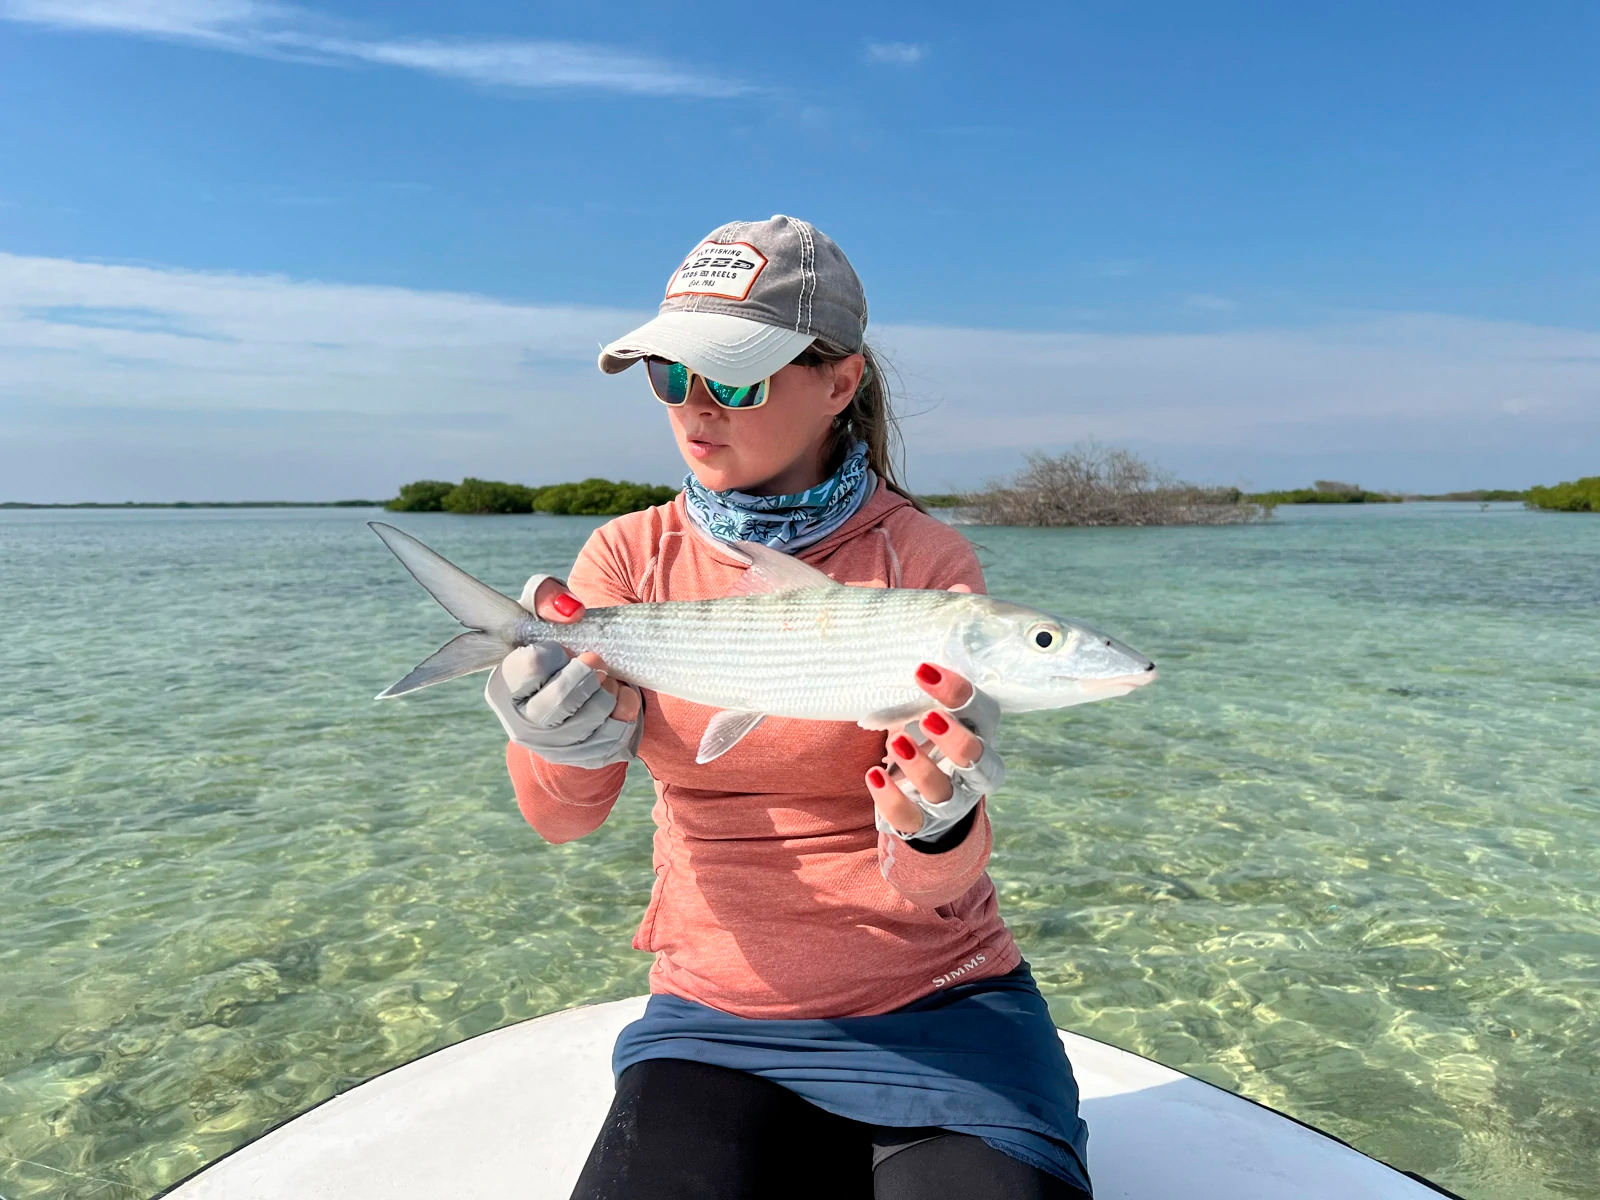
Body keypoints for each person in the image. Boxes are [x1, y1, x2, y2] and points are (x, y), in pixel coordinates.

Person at [484, 216, 1092, 1200]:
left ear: (839, 384)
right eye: (667, 375)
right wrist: (551, 733)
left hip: (943, 1004)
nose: (693, 408)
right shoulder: (628, 561)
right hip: (715, 1016)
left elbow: (935, 884)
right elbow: (561, 821)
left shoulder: (924, 567)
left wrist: (935, 822)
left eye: (731, 378)